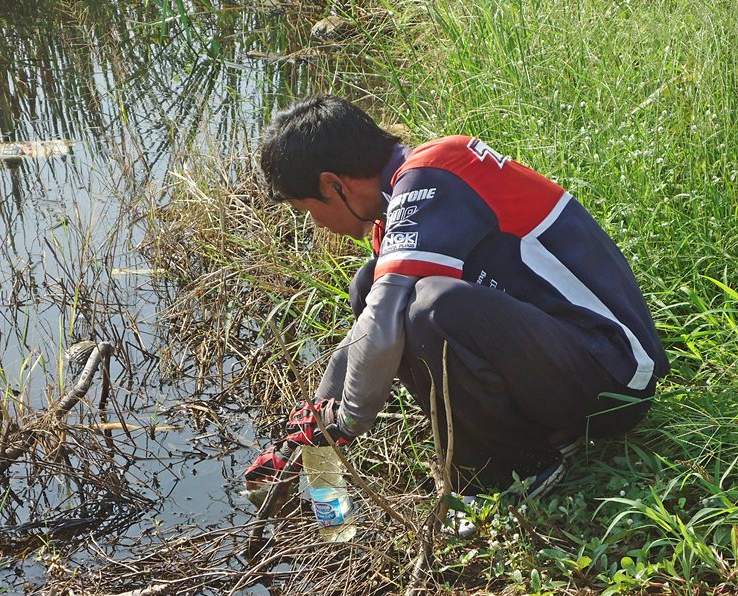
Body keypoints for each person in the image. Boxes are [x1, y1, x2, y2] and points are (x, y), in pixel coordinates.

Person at [244, 94, 668, 523]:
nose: (316, 224)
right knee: (372, 287)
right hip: (568, 366)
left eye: (307, 209)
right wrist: (307, 438)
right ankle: (543, 439)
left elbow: (385, 322)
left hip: (616, 378)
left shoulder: (435, 173)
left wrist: (346, 422)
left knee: (429, 308)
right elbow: (365, 331)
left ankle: (514, 471)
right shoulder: (404, 201)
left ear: (334, 184)